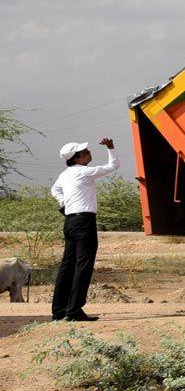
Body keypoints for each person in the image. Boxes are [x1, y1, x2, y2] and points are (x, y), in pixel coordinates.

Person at [49, 137, 118, 322]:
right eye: (85, 152)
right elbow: (113, 166)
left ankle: (59, 311)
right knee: (83, 266)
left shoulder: (64, 175)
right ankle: (74, 310)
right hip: (85, 222)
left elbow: (54, 190)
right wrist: (111, 148)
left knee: (67, 265)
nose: (89, 153)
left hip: (70, 222)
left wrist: (64, 204)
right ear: (77, 158)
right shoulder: (84, 172)